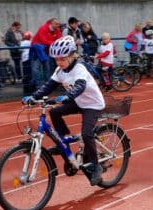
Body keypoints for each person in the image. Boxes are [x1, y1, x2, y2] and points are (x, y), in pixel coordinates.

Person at [22, 36, 105, 186]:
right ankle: (62, 142)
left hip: (92, 104)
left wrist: (68, 96)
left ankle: (96, 166)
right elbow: (48, 86)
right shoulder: (60, 70)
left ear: (72, 55)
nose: (59, 62)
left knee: (87, 133)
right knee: (54, 112)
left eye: (62, 59)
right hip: (78, 102)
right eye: (56, 59)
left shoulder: (79, 68)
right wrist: (33, 97)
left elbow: (80, 86)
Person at [30, 18, 62, 88]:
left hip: (46, 50)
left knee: (47, 68)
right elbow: (44, 41)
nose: (58, 25)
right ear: (51, 23)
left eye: (58, 24)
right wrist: (54, 43)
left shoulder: (57, 30)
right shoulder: (43, 28)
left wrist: (53, 43)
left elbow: (59, 39)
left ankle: (47, 85)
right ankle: (38, 85)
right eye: (56, 24)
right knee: (36, 68)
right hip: (37, 51)